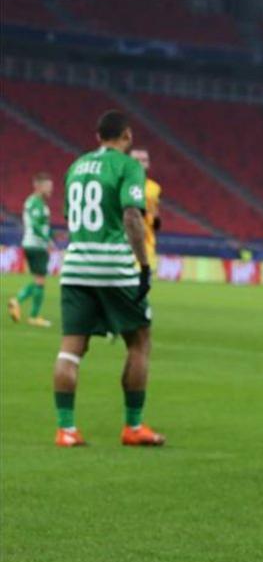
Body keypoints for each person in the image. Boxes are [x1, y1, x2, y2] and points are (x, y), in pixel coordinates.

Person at [54, 110, 164, 448]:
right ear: (127, 135)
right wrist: (143, 267)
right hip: (113, 266)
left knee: (71, 349)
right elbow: (132, 215)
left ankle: (66, 430)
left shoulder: (76, 166)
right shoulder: (128, 166)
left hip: (75, 266)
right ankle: (133, 427)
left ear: (96, 136)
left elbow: (70, 217)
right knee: (139, 341)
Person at [8, 172, 55, 327]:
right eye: (48, 186)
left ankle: (17, 301)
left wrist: (53, 234)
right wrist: (47, 239)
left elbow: (41, 225)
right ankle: (33, 315)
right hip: (36, 245)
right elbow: (35, 225)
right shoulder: (35, 202)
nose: (51, 189)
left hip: (32, 244)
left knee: (38, 280)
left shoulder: (37, 202)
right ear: (39, 186)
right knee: (40, 281)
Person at [130, 149, 161, 271]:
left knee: (142, 286)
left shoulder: (154, 188)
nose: (141, 163)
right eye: (136, 160)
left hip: (147, 245)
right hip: (124, 245)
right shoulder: (119, 184)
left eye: (144, 160)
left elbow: (155, 217)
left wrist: (155, 220)